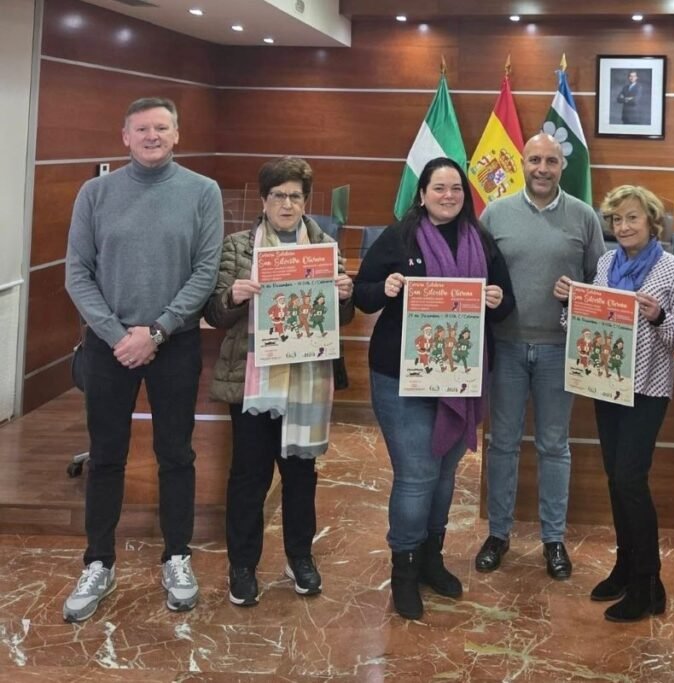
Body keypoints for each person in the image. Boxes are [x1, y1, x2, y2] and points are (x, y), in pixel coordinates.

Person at [62, 97, 223, 622]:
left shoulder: (203, 192)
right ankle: (98, 562)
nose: (152, 136)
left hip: (173, 344)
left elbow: (205, 271)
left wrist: (157, 330)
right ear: (124, 136)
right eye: (142, 128)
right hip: (109, 348)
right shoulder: (95, 193)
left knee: (176, 455)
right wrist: (117, 336)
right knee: (106, 457)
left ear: (177, 134)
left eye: (162, 127)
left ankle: (176, 556)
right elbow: (77, 274)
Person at [353, 157, 515, 620]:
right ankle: (403, 570)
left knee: (444, 476)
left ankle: (431, 561)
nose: (448, 196)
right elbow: (360, 296)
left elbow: (505, 303)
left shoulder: (480, 240)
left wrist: (498, 300)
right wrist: (383, 288)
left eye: (456, 189)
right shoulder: (398, 237)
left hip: (459, 376)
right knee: (418, 474)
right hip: (399, 376)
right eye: (439, 188)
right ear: (421, 194)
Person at [203, 157, 355, 607]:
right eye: (278, 196)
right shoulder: (237, 247)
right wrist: (233, 294)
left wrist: (345, 297)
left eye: (295, 196)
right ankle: (243, 566)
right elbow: (214, 312)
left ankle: (299, 557)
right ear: (264, 200)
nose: (287, 204)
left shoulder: (325, 245)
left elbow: (340, 319)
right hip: (252, 381)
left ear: (305, 201)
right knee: (249, 475)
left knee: (300, 474)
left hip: (307, 378)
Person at [474, 133, 605, 580]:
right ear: (521, 164)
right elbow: (478, 273)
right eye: (534, 160)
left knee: (554, 447)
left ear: (562, 166)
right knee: (502, 445)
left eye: (551, 160)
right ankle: (498, 534)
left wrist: (578, 295)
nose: (543, 168)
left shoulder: (584, 217)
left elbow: (600, 286)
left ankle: (554, 540)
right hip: (506, 347)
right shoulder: (495, 213)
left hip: (558, 349)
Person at [561, 185, 674, 621]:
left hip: (648, 388)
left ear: (651, 222)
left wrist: (658, 316)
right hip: (607, 384)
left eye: (632, 218)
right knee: (615, 480)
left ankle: (648, 584)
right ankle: (624, 565)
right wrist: (570, 303)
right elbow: (588, 320)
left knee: (631, 480)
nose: (624, 226)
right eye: (617, 220)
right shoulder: (604, 263)